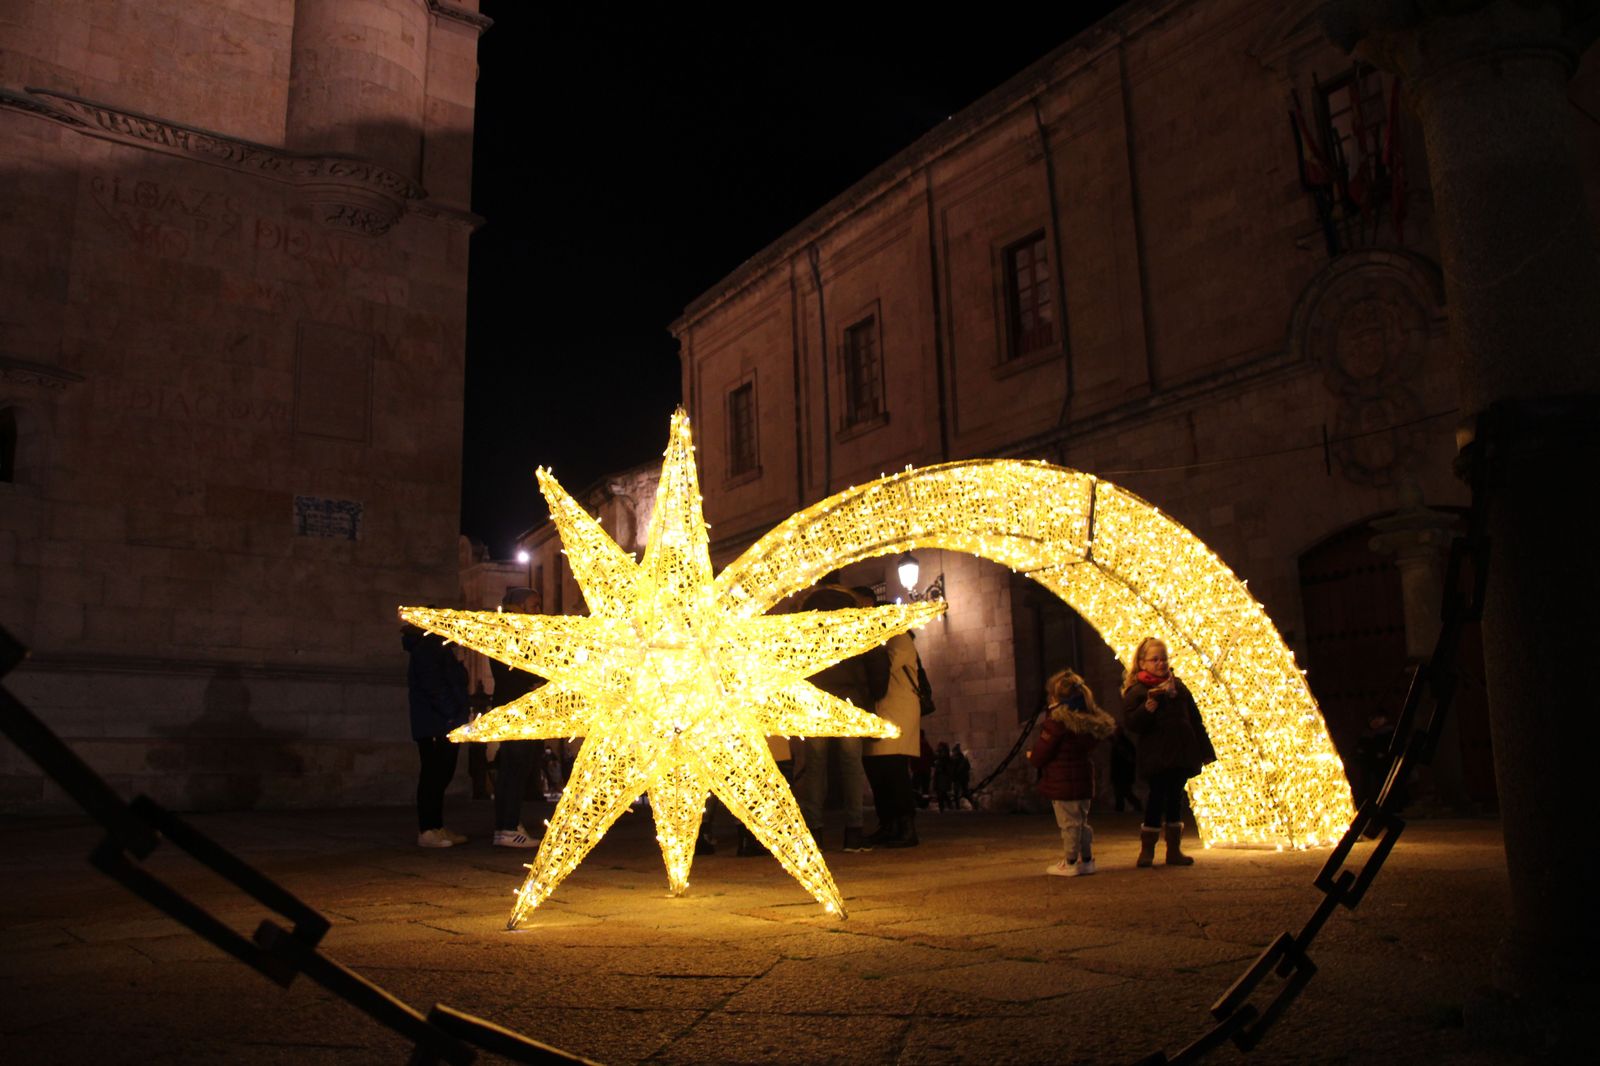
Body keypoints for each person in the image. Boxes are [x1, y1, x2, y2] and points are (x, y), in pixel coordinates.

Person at [791, 584, 890, 852]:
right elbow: (877, 661)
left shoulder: (807, 623)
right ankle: (853, 833)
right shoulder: (854, 621)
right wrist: (871, 695)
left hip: (815, 703)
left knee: (815, 767)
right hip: (850, 700)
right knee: (851, 766)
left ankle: (815, 832)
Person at [1121, 637, 1216, 867]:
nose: (1161, 663)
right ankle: (1148, 850)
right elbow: (1132, 724)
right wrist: (1147, 709)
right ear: (1142, 663)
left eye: (1164, 658)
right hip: (1156, 756)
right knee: (1156, 799)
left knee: (1175, 800)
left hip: (1180, 754)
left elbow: (1194, 719)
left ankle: (1174, 850)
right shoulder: (1138, 691)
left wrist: (1205, 749)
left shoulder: (1178, 687)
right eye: (1155, 659)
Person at [1027, 668, 1117, 876]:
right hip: (1083, 781)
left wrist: (1033, 756)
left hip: (1062, 782)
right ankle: (1086, 859)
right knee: (1081, 822)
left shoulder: (1057, 723)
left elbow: (1042, 753)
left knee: (1068, 824)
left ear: (1055, 697)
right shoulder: (1086, 723)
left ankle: (1070, 862)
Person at [403, 618, 471, 848]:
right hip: (436, 722)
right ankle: (427, 830)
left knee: (442, 774)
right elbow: (433, 685)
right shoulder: (427, 648)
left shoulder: (440, 648)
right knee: (433, 774)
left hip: (444, 721)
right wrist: (452, 713)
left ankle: (437, 827)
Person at [485, 587, 543, 848]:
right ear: (519, 607)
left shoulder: (506, 630)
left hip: (511, 706)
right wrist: (536, 681)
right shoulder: (513, 631)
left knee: (512, 769)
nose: (538, 611)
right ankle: (508, 827)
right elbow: (516, 669)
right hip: (519, 708)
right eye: (534, 606)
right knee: (516, 769)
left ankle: (506, 826)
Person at [863, 626, 924, 848]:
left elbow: (882, 670)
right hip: (881, 710)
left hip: (897, 711)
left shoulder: (899, 637)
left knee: (894, 768)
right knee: (875, 766)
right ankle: (888, 824)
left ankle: (906, 827)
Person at [1109, 725, 1142, 813]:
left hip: (1122, 774)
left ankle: (1121, 810)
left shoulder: (1122, 744)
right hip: (1122, 774)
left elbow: (1128, 759)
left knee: (1123, 793)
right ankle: (1121, 810)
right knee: (1122, 793)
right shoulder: (1124, 743)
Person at [931, 742, 954, 811]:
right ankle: (945, 806)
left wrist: (940, 768)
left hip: (943, 776)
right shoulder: (940, 756)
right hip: (940, 776)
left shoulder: (945, 758)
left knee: (942, 792)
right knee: (941, 792)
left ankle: (944, 807)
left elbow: (947, 768)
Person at [950, 743, 974, 809]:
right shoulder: (964, 758)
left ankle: (957, 807)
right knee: (965, 792)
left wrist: (953, 777)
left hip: (958, 778)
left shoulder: (955, 759)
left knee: (956, 793)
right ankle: (973, 803)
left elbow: (953, 770)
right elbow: (968, 767)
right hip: (964, 778)